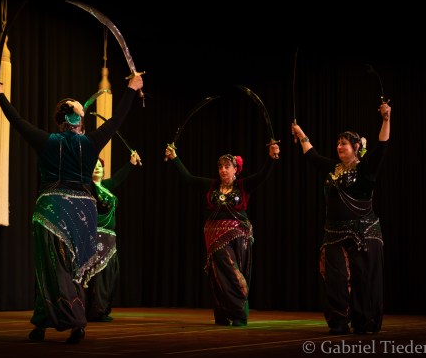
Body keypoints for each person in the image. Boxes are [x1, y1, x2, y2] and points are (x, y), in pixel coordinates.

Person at [0, 74, 143, 344]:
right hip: (83, 215)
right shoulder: (92, 141)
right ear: (79, 121)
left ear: (59, 121)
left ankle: (61, 319)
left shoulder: (47, 141)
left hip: (52, 210)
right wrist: (131, 88)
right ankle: (59, 321)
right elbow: (117, 119)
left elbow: (17, 121)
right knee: (73, 270)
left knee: (50, 267)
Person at [290, 101, 391, 335]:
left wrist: (386, 119)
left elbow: (382, 146)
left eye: (343, 143)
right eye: (337, 143)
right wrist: (300, 133)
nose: (339, 147)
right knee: (334, 279)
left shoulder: (366, 169)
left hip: (363, 232)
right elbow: (312, 155)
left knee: (363, 279)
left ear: (356, 147)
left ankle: (364, 322)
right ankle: (338, 322)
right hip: (334, 233)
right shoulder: (333, 168)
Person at [164, 141, 280, 326]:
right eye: (220, 167)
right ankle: (227, 313)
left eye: (227, 167)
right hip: (215, 236)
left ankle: (237, 313)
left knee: (235, 271)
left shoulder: (243, 186)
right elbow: (189, 178)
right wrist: (174, 158)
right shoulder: (212, 186)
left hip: (239, 235)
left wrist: (271, 158)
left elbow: (262, 175)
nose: (223, 170)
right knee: (221, 273)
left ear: (235, 169)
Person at [83, 151, 141, 322]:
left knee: (110, 275)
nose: (97, 168)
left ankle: (103, 309)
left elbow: (117, 178)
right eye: (94, 166)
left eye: (100, 166)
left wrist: (131, 163)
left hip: (110, 238)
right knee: (97, 276)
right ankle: (94, 311)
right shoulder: (88, 187)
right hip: (96, 236)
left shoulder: (105, 187)